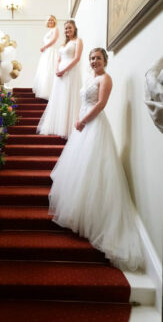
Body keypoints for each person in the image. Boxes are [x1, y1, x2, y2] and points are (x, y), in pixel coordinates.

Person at [48, 48, 144, 271]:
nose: (94, 61)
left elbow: (100, 105)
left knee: (93, 169)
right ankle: (76, 215)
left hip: (95, 126)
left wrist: (82, 122)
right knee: (79, 169)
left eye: (98, 58)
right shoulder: (91, 77)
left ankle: (93, 219)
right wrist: (79, 120)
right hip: (84, 124)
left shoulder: (106, 78)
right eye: (91, 58)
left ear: (105, 61)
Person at [37, 20, 82, 138]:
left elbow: (77, 58)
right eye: (66, 28)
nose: (67, 30)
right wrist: (57, 70)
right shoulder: (63, 44)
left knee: (69, 96)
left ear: (74, 29)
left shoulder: (78, 41)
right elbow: (59, 59)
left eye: (70, 28)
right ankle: (59, 126)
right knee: (60, 97)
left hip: (71, 72)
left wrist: (64, 70)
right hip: (59, 74)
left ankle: (69, 128)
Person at [33, 15, 59, 100]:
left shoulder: (55, 29)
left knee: (51, 69)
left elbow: (54, 39)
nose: (50, 21)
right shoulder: (49, 30)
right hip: (47, 52)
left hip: (51, 51)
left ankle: (52, 92)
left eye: (52, 20)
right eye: (49, 20)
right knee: (44, 70)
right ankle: (45, 91)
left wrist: (45, 47)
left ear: (54, 21)